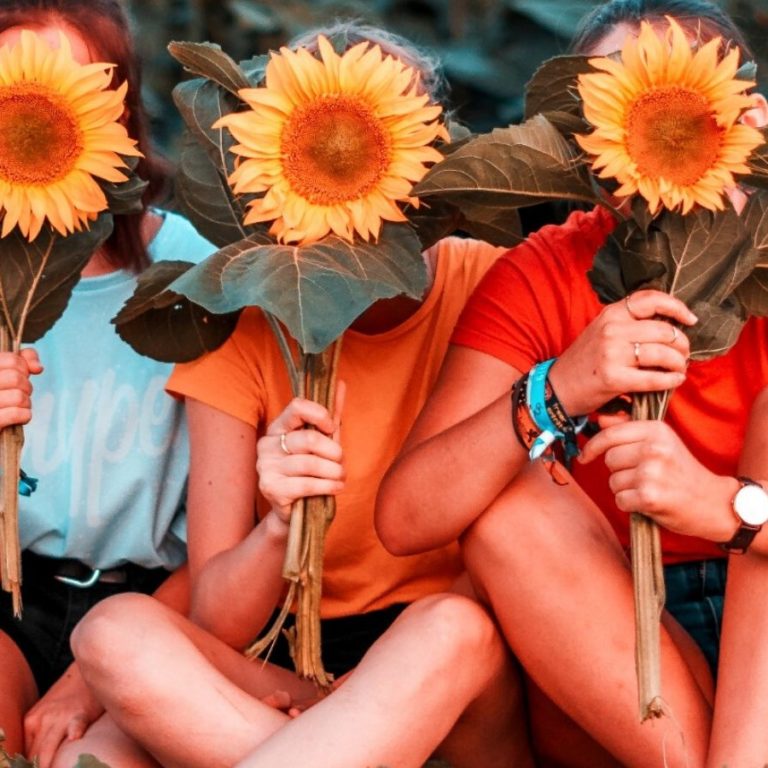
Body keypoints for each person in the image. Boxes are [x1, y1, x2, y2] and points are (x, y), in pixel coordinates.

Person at [69, 22, 535, 768]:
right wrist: (278, 525)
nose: (343, 158)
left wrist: (371, 690)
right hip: (284, 662)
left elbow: (533, 538)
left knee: (449, 627)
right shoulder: (245, 320)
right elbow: (217, 618)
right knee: (112, 630)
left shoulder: (485, 281)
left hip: (448, 665)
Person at [376, 1, 768, 766]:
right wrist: (558, 388)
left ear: (748, 118)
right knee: (503, 500)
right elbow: (407, 516)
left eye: (684, 103)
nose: (652, 136)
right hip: (609, 634)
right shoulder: (548, 270)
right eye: (620, 110)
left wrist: (725, 509)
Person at [0, 2, 216, 765]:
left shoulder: (194, 274)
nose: (41, 112)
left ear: (116, 103)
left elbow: (224, 538)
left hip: (154, 606)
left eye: (72, 85)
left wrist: (91, 677)